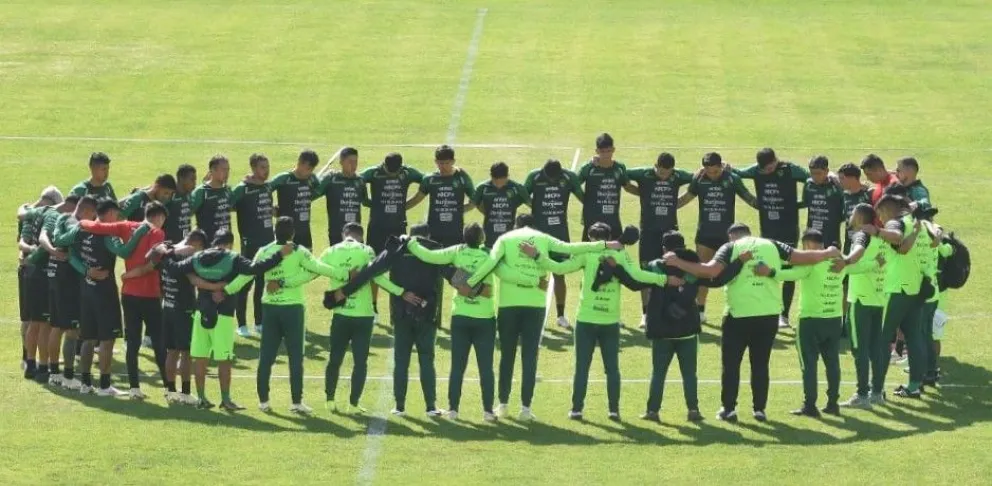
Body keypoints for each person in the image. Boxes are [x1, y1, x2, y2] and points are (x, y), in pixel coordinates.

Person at [663, 223, 839, 422]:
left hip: (739, 314)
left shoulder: (731, 248)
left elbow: (711, 271)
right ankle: (759, 410)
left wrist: (678, 262)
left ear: (732, 236)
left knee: (731, 364)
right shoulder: (772, 244)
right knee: (760, 364)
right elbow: (803, 257)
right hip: (768, 314)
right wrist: (827, 252)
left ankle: (729, 409)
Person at [463, 213, 621, 420]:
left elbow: (492, 263)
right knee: (529, 357)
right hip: (535, 305)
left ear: (516, 224)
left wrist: (471, 281)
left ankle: (502, 404)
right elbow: (570, 248)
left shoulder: (505, 238)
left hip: (508, 305)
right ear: (533, 226)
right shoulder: (543, 238)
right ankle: (526, 409)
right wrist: (605, 245)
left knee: (507, 356)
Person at [524, 222, 675, 422]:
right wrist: (664, 279)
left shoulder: (586, 253)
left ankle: (577, 410)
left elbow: (559, 267)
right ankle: (613, 410)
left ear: (590, 238)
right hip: (610, 320)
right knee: (612, 368)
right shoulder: (620, 254)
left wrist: (536, 255)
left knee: (582, 367)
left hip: (586, 319)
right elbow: (638, 276)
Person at [161, 229, 288, 410]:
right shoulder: (233, 258)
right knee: (224, 360)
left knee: (200, 358)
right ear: (229, 244)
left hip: (200, 314)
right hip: (223, 316)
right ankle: (226, 400)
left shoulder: (198, 257)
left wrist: (167, 253)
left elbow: (173, 269)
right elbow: (256, 268)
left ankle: (202, 399)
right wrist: (279, 255)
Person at [225, 217, 340, 415]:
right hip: (293, 309)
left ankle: (263, 402)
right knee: (296, 357)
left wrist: (227, 290)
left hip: (269, 308)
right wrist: (345, 275)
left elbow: (248, 274)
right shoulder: (298, 251)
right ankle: (296, 403)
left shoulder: (264, 250)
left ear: (274, 232)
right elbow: (319, 269)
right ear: (293, 233)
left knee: (266, 356)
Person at [633, 231, 748, 422]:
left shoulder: (655, 266)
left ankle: (652, 411)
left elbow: (636, 282)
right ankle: (693, 410)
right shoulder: (693, 268)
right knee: (689, 374)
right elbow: (719, 280)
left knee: (658, 373)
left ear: (664, 248)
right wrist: (739, 262)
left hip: (661, 331)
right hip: (687, 329)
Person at [305, 223, 411, 414]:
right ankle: (353, 404)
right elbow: (377, 277)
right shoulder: (366, 250)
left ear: (343, 234)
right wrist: (400, 292)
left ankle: (330, 400)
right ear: (360, 236)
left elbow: (314, 270)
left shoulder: (331, 251)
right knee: (360, 362)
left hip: (341, 314)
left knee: (334, 358)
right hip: (363, 315)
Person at [406, 223, 498, 421]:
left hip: (460, 317)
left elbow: (428, 256)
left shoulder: (457, 251)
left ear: (464, 237)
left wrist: (411, 243)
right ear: (482, 238)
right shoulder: (490, 254)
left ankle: (453, 410)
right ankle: (488, 411)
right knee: (486, 367)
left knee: (457, 366)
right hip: (485, 318)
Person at [79, 202, 168, 400]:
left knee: (107, 340)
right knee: (113, 340)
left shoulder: (116, 227)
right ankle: (168, 389)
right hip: (130, 294)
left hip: (107, 293)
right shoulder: (152, 233)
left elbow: (90, 233)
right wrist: (130, 274)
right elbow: (136, 257)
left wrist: (82, 220)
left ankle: (92, 383)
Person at [756, 229, 850, 417]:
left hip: (810, 320)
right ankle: (833, 403)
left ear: (807, 245)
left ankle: (810, 405)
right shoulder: (841, 262)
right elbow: (859, 266)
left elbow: (788, 275)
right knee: (832, 363)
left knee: (809, 364)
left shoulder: (810, 264)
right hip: (834, 320)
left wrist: (770, 271)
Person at [66, 199, 150, 396]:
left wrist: (86, 271)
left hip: (86, 291)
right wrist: (139, 232)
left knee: (88, 338)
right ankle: (104, 386)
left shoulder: (84, 230)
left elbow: (70, 253)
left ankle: (85, 383)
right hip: (104, 293)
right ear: (110, 214)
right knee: (107, 339)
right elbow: (124, 251)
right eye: (117, 215)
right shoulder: (107, 233)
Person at [677, 153, 758, 323]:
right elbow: (686, 198)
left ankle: (736, 309)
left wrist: (768, 205)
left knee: (734, 273)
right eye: (709, 171)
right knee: (702, 273)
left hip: (728, 236)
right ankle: (700, 312)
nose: (712, 175)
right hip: (705, 234)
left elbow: (748, 197)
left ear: (721, 166)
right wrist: (664, 205)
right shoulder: (699, 179)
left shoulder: (732, 178)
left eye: (715, 171)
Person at [734, 148, 809, 329]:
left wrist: (802, 202)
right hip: (767, 228)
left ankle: (783, 315)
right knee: (765, 268)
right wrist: (751, 200)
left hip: (789, 228)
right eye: (764, 169)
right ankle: (768, 310)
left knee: (789, 271)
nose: (767, 172)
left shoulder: (790, 169)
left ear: (776, 160)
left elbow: (810, 178)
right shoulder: (756, 170)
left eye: (770, 168)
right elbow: (737, 174)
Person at [862, 195, 926, 398]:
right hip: (915, 287)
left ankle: (876, 390)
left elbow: (897, 236)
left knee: (882, 338)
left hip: (896, 288)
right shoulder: (917, 223)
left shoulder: (894, 222)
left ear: (887, 209)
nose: (880, 218)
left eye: (880, 213)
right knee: (914, 337)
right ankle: (914, 386)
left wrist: (879, 231)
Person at [626, 152, 694, 329]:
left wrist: (679, 202)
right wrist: (640, 193)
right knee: (646, 270)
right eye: (661, 172)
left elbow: (698, 177)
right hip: (648, 232)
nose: (664, 177)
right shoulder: (643, 174)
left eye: (668, 173)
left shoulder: (678, 176)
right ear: (655, 166)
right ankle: (645, 313)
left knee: (674, 271)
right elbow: (621, 173)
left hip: (671, 233)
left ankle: (671, 309)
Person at [360, 152, 424, 321]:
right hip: (376, 227)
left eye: (395, 174)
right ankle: (372, 306)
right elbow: (356, 181)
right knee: (374, 267)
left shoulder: (408, 173)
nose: (393, 175)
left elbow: (427, 181)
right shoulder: (373, 173)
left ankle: (399, 307)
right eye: (390, 172)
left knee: (399, 268)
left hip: (398, 227)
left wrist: (407, 205)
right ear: (384, 165)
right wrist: (367, 201)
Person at [836, 204, 888, 408]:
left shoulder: (861, 236)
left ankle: (862, 395)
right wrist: (874, 264)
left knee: (859, 349)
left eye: (853, 213)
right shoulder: (882, 239)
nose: (850, 215)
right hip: (878, 299)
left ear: (859, 217)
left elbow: (858, 258)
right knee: (876, 348)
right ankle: (877, 392)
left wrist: (846, 263)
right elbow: (884, 262)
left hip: (860, 300)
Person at [523, 159, 585, 329]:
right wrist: (533, 206)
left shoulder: (569, 177)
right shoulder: (534, 176)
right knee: (534, 273)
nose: (551, 181)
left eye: (554, 179)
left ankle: (560, 315)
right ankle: (532, 312)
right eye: (548, 178)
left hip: (559, 234)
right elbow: (522, 194)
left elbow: (583, 197)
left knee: (559, 274)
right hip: (538, 234)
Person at [156, 229, 209, 405]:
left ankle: (171, 391)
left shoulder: (167, 250)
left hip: (168, 307)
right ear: (196, 244)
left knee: (171, 351)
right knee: (186, 353)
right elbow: (194, 280)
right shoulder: (188, 255)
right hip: (184, 309)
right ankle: (185, 393)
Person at [18, 187, 64, 382]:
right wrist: (50, 251)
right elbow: (44, 239)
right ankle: (43, 367)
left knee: (33, 322)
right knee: (44, 324)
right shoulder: (52, 216)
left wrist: (26, 257)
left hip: (29, 274)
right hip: (42, 273)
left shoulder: (31, 214)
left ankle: (29, 363)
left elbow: (22, 242)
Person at [36, 195, 80, 387]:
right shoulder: (72, 222)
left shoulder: (58, 219)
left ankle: (54, 372)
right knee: (69, 329)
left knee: (56, 326)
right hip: (66, 280)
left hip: (54, 276)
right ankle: (66, 376)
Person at [231, 153, 275, 337]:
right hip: (250, 242)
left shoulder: (267, 187)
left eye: (267, 167)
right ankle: (241, 324)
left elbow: (267, 207)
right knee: (245, 283)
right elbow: (229, 204)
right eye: (262, 167)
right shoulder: (243, 188)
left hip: (267, 240)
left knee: (261, 283)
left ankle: (259, 322)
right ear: (253, 168)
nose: (266, 171)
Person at [406, 144, 475, 247]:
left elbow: (474, 201)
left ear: (453, 161)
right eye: (440, 163)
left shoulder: (462, 178)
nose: (443, 166)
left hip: (455, 230)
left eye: (447, 163)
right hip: (434, 231)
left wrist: (457, 210)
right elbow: (416, 199)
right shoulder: (430, 179)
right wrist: (401, 208)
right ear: (436, 162)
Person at [577, 133, 637, 243]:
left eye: (608, 151)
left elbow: (628, 187)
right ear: (597, 151)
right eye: (602, 152)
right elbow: (574, 184)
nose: (606, 155)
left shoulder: (619, 168)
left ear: (613, 149)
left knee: (616, 251)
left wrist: (646, 194)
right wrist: (584, 199)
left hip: (612, 219)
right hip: (592, 219)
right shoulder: (588, 168)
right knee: (588, 252)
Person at [316, 146, 369, 246]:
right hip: (336, 231)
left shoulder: (360, 181)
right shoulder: (331, 178)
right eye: (350, 162)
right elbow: (314, 194)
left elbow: (365, 201)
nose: (353, 165)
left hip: (356, 232)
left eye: (355, 162)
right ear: (341, 162)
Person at [269, 149, 321, 248]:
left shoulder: (312, 179)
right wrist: (270, 209)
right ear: (300, 163)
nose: (310, 172)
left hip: (305, 232)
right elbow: (263, 191)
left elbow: (317, 191)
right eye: (308, 168)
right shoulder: (283, 179)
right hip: (285, 232)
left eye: (312, 169)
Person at [471, 161, 531, 247]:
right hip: (489, 235)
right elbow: (474, 203)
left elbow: (531, 204)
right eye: (495, 182)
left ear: (508, 176)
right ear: (491, 176)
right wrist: (487, 213)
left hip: (509, 235)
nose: (499, 185)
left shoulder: (517, 188)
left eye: (502, 182)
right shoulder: (483, 187)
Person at [801, 156, 844, 251]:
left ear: (827, 171)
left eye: (818, 173)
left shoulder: (836, 187)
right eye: (812, 173)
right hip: (812, 233)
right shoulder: (808, 184)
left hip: (830, 235)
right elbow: (806, 203)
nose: (815, 177)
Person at [190, 155, 234, 241]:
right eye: (223, 169)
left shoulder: (228, 190)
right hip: (207, 244)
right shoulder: (201, 192)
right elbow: (187, 213)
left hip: (226, 242)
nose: (227, 173)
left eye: (228, 169)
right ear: (213, 170)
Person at [837, 163, 871, 254]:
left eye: (842, 178)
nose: (839, 181)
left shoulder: (868, 194)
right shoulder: (844, 196)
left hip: (867, 246)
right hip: (849, 245)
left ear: (852, 178)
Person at [164, 164, 198, 244]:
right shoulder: (169, 194)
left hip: (186, 243)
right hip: (171, 244)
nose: (195, 183)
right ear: (181, 179)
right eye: (192, 180)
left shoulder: (189, 195)